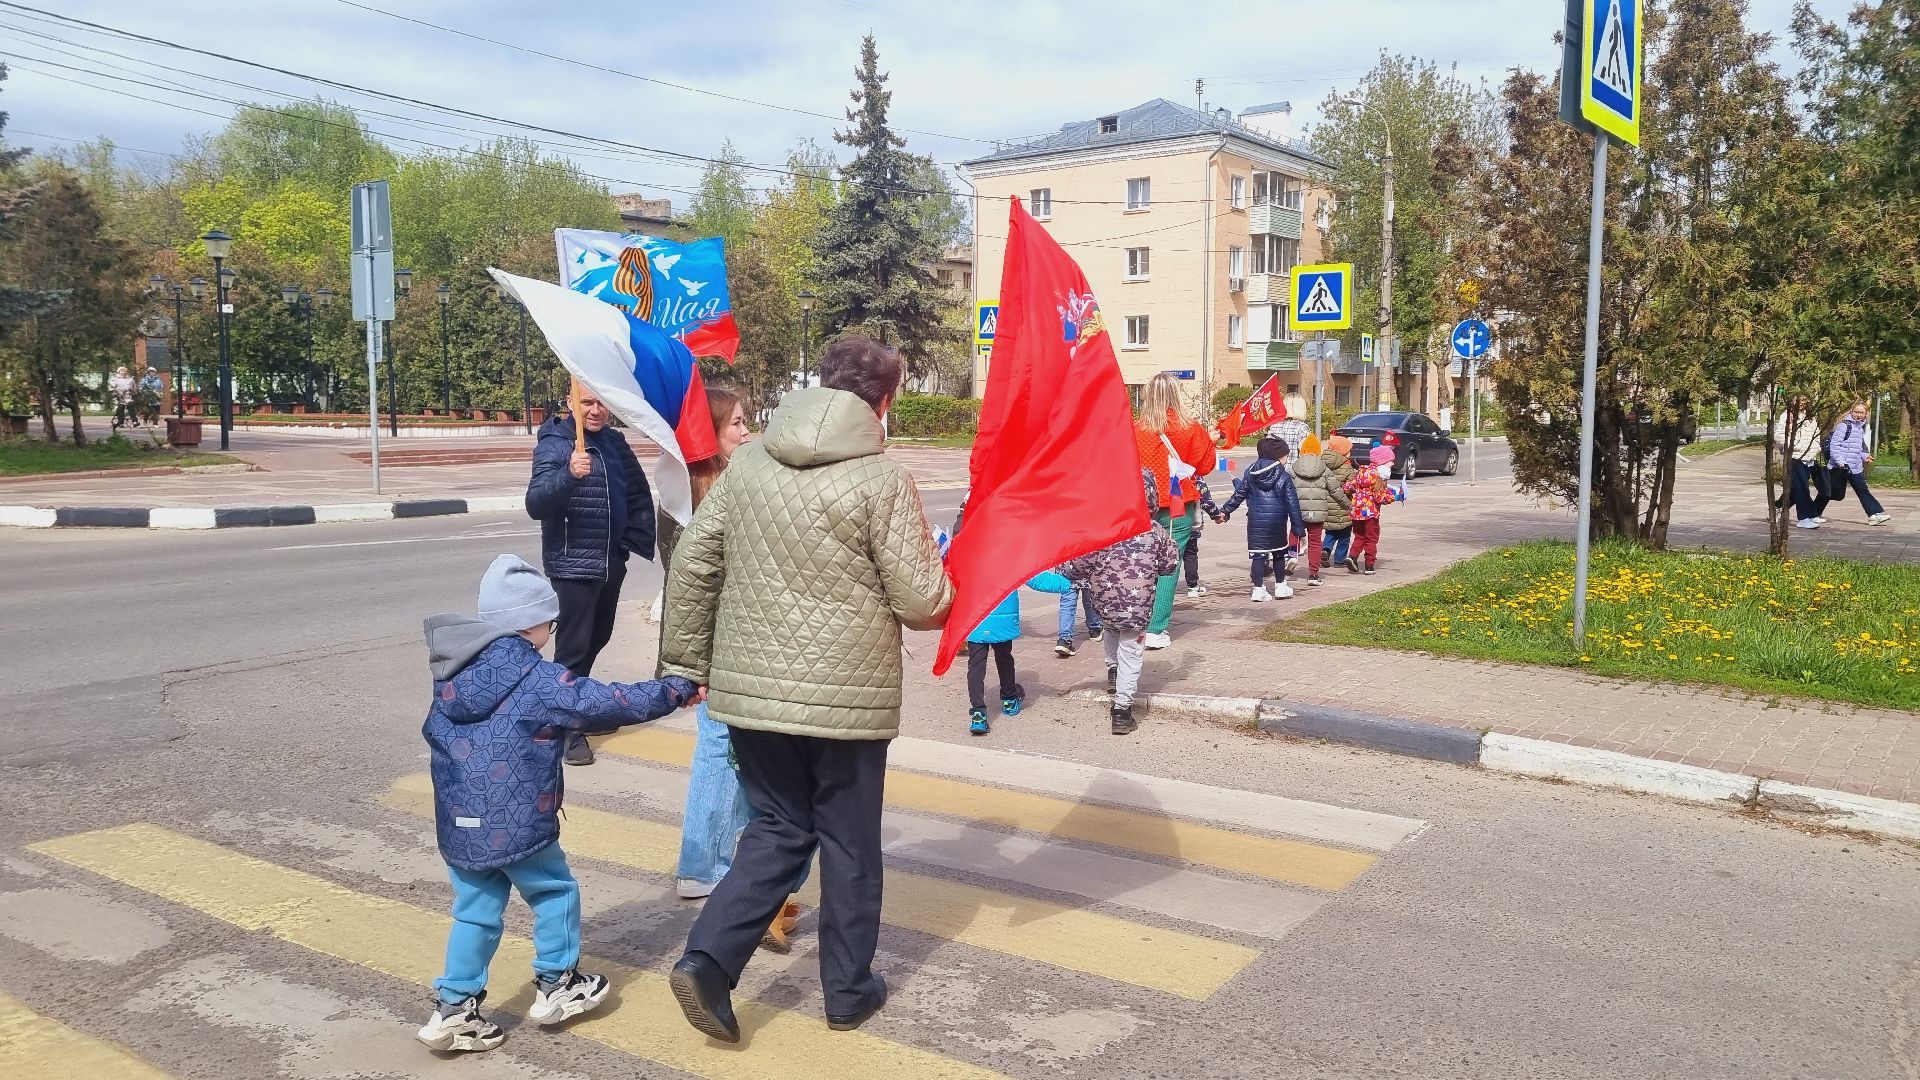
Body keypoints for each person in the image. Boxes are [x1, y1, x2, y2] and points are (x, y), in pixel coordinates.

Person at [660, 335, 953, 1042]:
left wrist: (687, 665)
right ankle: (847, 991)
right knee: (849, 843)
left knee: (780, 828)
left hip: (751, 692)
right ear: (883, 401)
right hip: (846, 701)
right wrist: (944, 575)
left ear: (823, 383)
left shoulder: (750, 461)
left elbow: (696, 559)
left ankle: (707, 960)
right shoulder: (883, 478)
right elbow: (922, 603)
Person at [416, 555, 700, 1054]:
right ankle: (559, 984)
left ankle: (454, 1009)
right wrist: (675, 689)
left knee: (476, 910)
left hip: (460, 818)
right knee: (554, 892)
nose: (554, 627)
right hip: (518, 817)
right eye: (551, 619)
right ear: (533, 624)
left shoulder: (455, 673)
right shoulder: (536, 679)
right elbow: (609, 701)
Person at [525, 384, 656, 766]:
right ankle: (565, 729)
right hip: (573, 563)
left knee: (598, 637)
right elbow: (536, 504)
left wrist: (628, 544)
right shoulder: (557, 441)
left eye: (601, 402)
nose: (595, 410)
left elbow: (635, 492)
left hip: (608, 562)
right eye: (586, 402)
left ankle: (573, 708)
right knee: (573, 648)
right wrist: (568, 473)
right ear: (570, 403)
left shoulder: (613, 442)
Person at [1058, 469, 1180, 735]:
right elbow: (1169, 566)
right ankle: (1122, 711)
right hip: (1138, 607)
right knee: (1132, 653)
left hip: (1105, 602)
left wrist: (1064, 571)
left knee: (1111, 629)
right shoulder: (1156, 531)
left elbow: (1080, 563)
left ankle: (1112, 670)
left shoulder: (1103, 529)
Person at [952, 499, 1074, 735]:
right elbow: (1037, 579)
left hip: (976, 619)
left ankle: (978, 712)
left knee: (975, 666)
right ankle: (1009, 699)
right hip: (1002, 621)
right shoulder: (1011, 553)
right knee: (1004, 658)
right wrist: (1067, 584)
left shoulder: (966, 552)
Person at [1133, 372, 1218, 650]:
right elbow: (1203, 467)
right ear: (1176, 395)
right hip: (1177, 504)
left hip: (1140, 504)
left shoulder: (1134, 429)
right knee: (1169, 564)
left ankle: (1134, 623)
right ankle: (1156, 629)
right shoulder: (1190, 428)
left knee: (1139, 562)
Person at [1220, 437, 1306, 602]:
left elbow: (1239, 494)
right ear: (1278, 457)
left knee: (1258, 556)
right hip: (1277, 521)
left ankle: (1258, 589)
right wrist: (1298, 527)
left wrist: (1225, 511)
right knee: (1279, 554)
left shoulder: (1250, 473)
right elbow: (1292, 503)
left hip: (1256, 520)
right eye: (1286, 456)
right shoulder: (1284, 477)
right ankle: (1281, 586)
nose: (1287, 460)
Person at [1291, 434, 1349, 587]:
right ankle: (1313, 575)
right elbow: (1336, 491)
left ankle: (1292, 556)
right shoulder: (1324, 469)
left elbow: (1287, 490)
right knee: (1315, 542)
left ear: (1302, 451)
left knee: (1295, 535)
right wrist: (1348, 505)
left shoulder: (1294, 468)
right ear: (1318, 452)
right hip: (1318, 513)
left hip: (1299, 511)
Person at [1829, 401, 1891, 527]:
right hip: (1840, 467)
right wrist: (1840, 462)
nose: (1859, 414)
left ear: (1866, 414)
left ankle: (1873, 515)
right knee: (1828, 493)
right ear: (1851, 412)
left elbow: (1855, 448)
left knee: (1863, 490)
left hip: (1855, 467)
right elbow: (1834, 446)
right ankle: (1812, 513)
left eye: (1862, 412)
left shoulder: (1859, 427)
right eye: (1856, 412)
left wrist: (1865, 456)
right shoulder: (1844, 426)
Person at [1344, 445, 1403, 575]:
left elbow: (1348, 487)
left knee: (1359, 536)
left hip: (1357, 512)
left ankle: (1352, 556)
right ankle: (1369, 565)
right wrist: (1396, 496)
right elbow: (1380, 497)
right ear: (1382, 462)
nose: (1393, 463)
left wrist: (1354, 490)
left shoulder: (1361, 472)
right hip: (1371, 514)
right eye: (1390, 461)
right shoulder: (1379, 476)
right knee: (1371, 538)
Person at [1773, 397, 1829, 529]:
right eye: (1798, 399)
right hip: (1797, 456)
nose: (1802, 402)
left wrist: (1816, 449)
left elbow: (1816, 435)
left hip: (1814, 456)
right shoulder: (1787, 415)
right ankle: (1804, 518)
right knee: (1802, 488)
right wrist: (1794, 446)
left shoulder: (1811, 416)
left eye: (1805, 399)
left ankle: (1780, 507)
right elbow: (1779, 435)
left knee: (1809, 487)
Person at [1181, 476, 1224, 598]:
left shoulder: (1164, 468)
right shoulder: (1194, 474)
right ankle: (1193, 587)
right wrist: (1216, 515)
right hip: (1190, 522)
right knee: (1190, 555)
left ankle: (1163, 588)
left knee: (1169, 557)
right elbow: (1206, 501)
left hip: (1166, 523)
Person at [1321, 435, 1357, 569]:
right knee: (1345, 534)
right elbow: (1352, 485)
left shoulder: (1322, 463)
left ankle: (1326, 548)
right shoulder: (1346, 467)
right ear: (1343, 451)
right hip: (1343, 505)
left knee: (1330, 531)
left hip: (1326, 505)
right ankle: (1339, 560)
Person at [1054, 585, 1102, 657]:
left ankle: (1064, 640)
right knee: (1090, 598)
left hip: (1069, 575)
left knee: (1067, 603)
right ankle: (1094, 630)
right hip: (1088, 575)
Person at [1268, 394, 1310, 470]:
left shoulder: (1273, 426)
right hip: (1294, 473)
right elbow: (1306, 455)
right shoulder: (1302, 427)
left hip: (1275, 472)